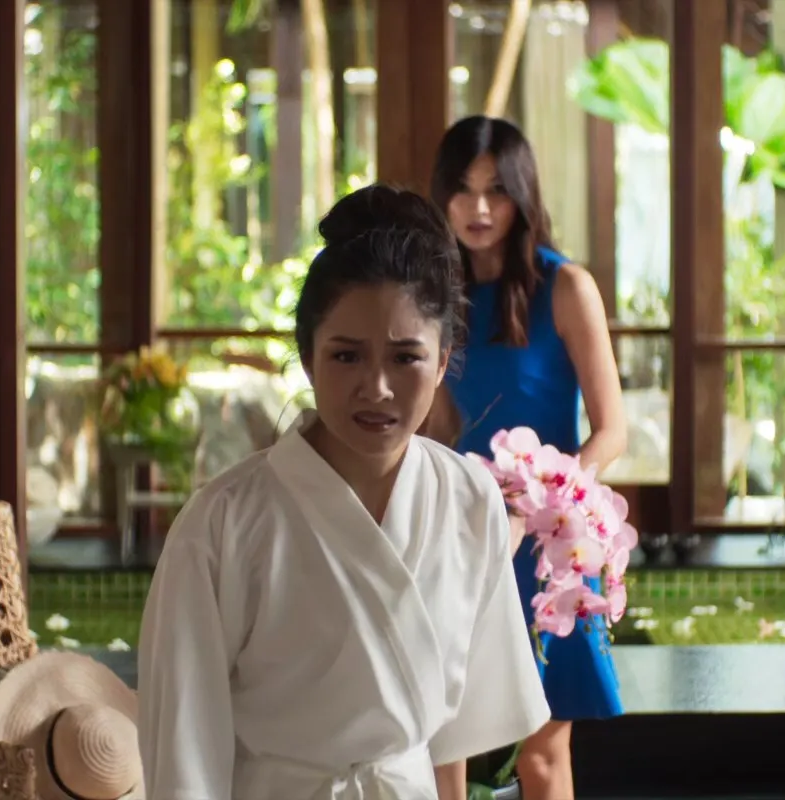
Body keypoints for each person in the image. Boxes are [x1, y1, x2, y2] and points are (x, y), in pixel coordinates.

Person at [136, 184, 551, 800]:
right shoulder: (223, 522)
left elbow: (453, 741)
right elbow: (183, 753)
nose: (376, 387)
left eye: (405, 358)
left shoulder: (470, 501)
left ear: (442, 362)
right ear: (308, 358)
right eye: (347, 356)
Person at [426, 115, 630, 800]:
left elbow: (612, 430)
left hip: (548, 543)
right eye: (463, 189)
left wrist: (551, 499)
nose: (479, 208)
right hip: (461, 533)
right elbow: (435, 427)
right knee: (445, 740)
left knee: (543, 750)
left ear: (522, 195)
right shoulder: (433, 295)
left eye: (496, 191)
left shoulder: (566, 287)